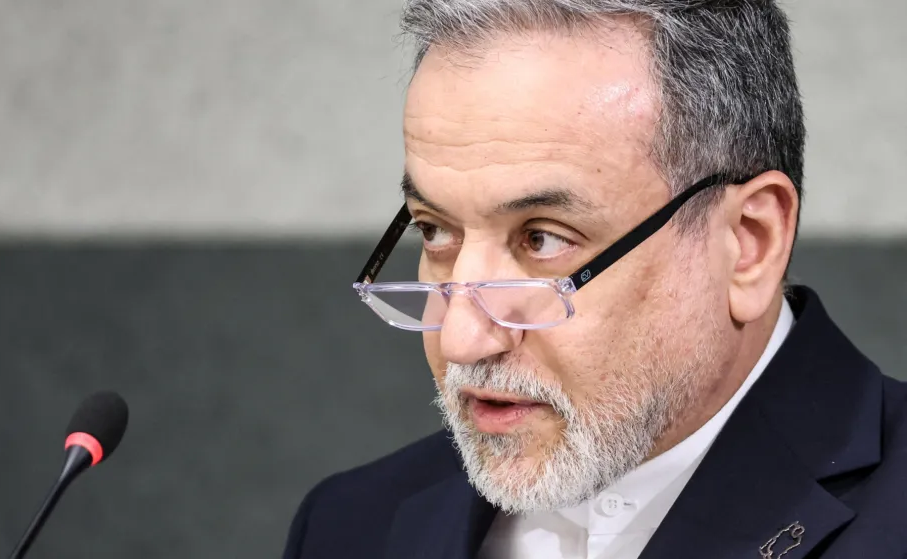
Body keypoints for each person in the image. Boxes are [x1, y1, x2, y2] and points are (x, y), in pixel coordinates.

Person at [283, 1, 907, 557]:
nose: (461, 341)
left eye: (543, 239)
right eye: (435, 231)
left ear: (750, 243)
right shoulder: (348, 526)